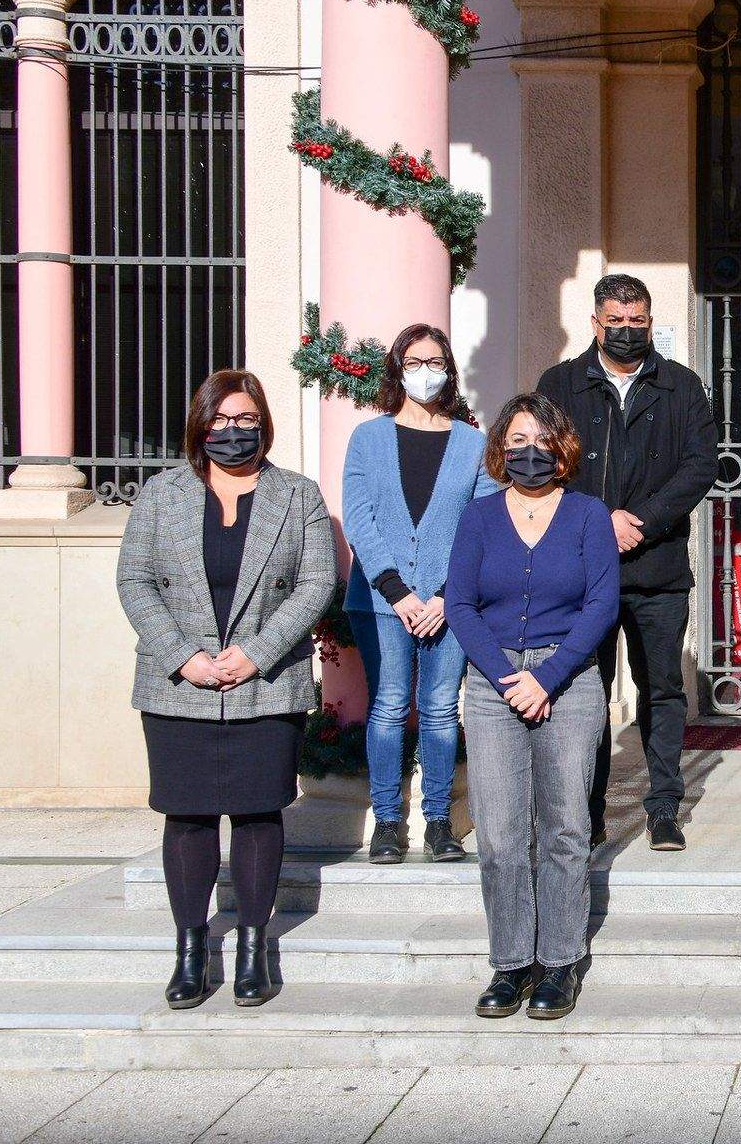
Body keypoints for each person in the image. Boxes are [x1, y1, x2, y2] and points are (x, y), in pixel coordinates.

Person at [116, 370, 335, 1010]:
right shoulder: (161, 494)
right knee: (187, 816)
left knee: (258, 814)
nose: (233, 431)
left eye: (246, 420)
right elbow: (134, 581)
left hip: (267, 684)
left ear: (263, 424)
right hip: (179, 684)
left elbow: (317, 582)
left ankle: (252, 950)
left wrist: (257, 654)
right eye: (221, 419)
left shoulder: (297, 496)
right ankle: (191, 951)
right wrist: (182, 656)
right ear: (200, 424)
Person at [445, 394, 622, 1022]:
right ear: (501, 447)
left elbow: (601, 605)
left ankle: (560, 960)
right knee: (499, 832)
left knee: (566, 826)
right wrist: (506, 678)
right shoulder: (479, 517)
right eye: (518, 439)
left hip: (568, 679)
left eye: (542, 439)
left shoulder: (588, 515)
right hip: (492, 682)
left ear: (562, 447)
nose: (530, 451)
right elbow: (460, 604)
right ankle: (511, 961)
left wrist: (544, 678)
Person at [537, 274, 719, 852]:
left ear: (650, 322)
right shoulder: (559, 384)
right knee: (584, 691)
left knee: (661, 689)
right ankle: (587, 812)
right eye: (615, 321)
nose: (625, 330)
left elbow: (700, 466)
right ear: (595, 322)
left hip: (657, 569)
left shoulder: (682, 385)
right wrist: (601, 522)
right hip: (582, 571)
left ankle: (664, 807)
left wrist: (638, 519)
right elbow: (546, 460)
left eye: (636, 321)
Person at [341, 325, 497, 864]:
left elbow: (482, 525)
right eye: (413, 362)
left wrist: (448, 596)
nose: (424, 372)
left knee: (439, 709)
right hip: (382, 602)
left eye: (434, 362)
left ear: (449, 371)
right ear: (398, 369)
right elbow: (359, 518)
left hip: (449, 605)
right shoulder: (368, 438)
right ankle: (387, 822)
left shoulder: (473, 443)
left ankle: (438, 822)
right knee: (387, 706)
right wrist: (397, 592)